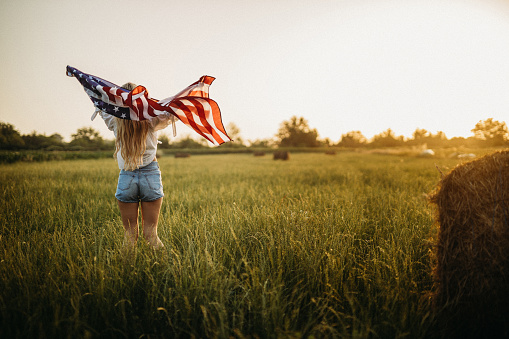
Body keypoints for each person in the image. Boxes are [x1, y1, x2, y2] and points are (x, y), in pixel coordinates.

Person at [100, 82, 172, 249]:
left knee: (130, 235)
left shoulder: (114, 120)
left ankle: (125, 271)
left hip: (127, 177)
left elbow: (101, 105)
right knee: (151, 235)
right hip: (151, 176)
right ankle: (169, 268)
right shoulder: (151, 118)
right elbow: (169, 114)